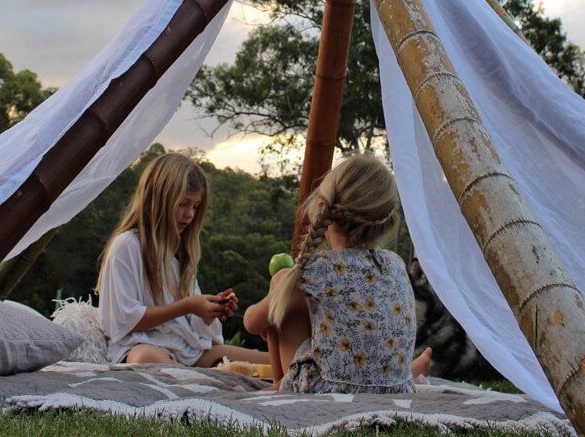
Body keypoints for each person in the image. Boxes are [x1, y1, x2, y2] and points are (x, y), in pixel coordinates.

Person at [244, 154, 431, 392]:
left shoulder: (318, 270)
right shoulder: (394, 264)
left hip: (329, 391)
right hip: (395, 389)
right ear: (388, 219)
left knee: (283, 281)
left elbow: (251, 323)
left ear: (325, 207)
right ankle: (407, 374)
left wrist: (280, 291)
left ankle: (281, 386)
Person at [96, 152, 268, 367]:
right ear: (159, 200)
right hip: (140, 347)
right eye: (183, 204)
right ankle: (211, 383)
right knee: (147, 359)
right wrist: (186, 306)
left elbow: (193, 327)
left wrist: (209, 312)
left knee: (274, 362)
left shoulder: (179, 253)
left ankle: (209, 380)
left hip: (187, 351)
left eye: (195, 206)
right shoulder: (127, 246)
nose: (190, 215)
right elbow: (122, 321)